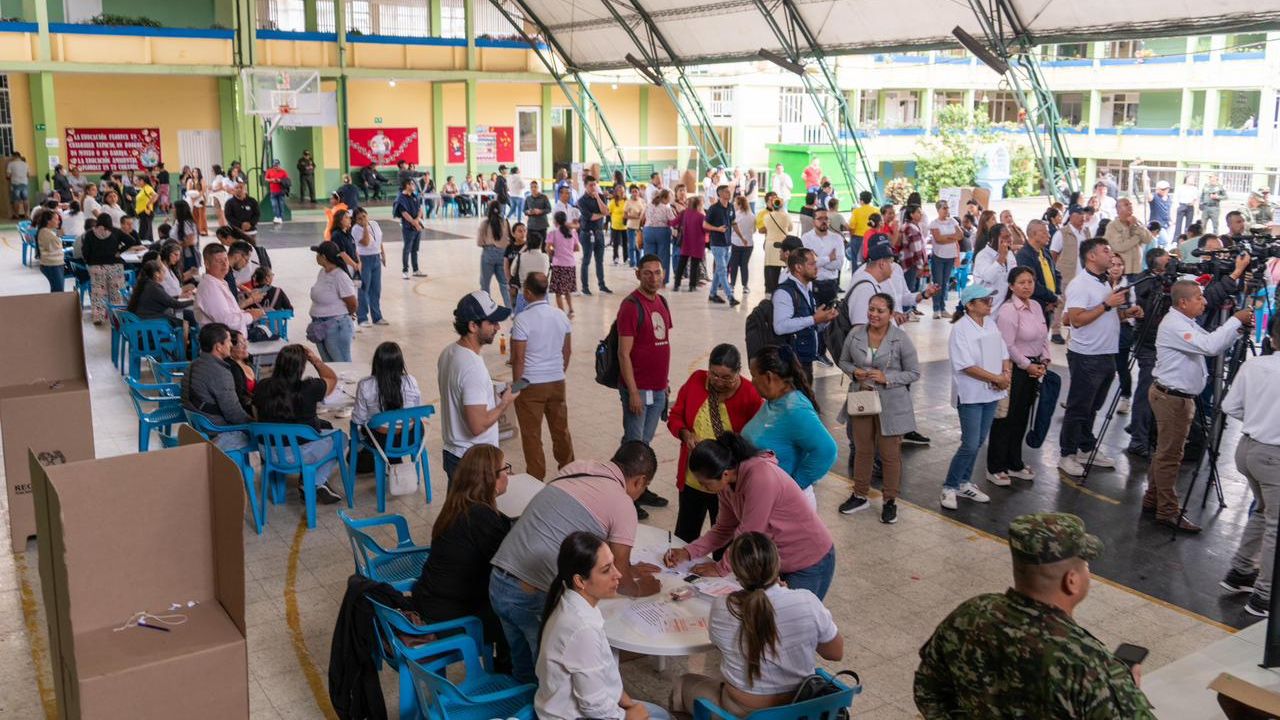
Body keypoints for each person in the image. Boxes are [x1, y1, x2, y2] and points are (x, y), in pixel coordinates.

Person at [914, 512, 1154, 718]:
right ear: (1072, 581)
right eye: (1086, 566)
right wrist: (1127, 695)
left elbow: (927, 690)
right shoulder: (1092, 669)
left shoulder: (971, 614)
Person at [490, 443, 661, 683]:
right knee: (550, 679)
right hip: (530, 595)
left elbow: (563, 523)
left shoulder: (578, 467)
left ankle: (522, 704)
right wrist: (643, 587)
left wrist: (629, 568)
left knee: (524, 668)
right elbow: (620, 581)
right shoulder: (622, 503)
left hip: (499, 578)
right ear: (640, 481)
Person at [671, 532, 842, 717]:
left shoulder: (723, 606)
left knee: (682, 686)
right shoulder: (806, 601)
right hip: (798, 709)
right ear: (777, 561)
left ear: (736, 572)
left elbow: (723, 649)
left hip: (742, 711)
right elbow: (835, 653)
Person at [665, 433, 837, 599]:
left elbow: (750, 534)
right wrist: (688, 552)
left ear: (724, 473)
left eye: (705, 483)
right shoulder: (727, 484)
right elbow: (723, 529)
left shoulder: (760, 478)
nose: (703, 487)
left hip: (809, 560)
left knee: (791, 621)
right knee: (771, 619)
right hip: (776, 560)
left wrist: (721, 568)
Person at [1144, 280, 1250, 533]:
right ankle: (1167, 511)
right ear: (1183, 302)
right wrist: (1235, 320)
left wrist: (1235, 331)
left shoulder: (1185, 323)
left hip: (1176, 397)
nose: (1204, 302)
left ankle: (1153, 498)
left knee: (1165, 453)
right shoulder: (1175, 325)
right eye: (1199, 298)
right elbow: (1210, 346)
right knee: (1170, 457)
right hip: (1172, 399)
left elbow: (1211, 343)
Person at [535, 531, 670, 720]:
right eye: (606, 569)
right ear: (580, 581)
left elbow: (604, 670)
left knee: (660, 714)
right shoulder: (582, 629)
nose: (618, 574)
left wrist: (626, 701)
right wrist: (626, 716)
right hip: (577, 715)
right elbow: (593, 705)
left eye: (614, 564)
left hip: (589, 705)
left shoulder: (574, 601)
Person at [411, 444, 513, 667]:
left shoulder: (456, 503)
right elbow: (508, 567)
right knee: (516, 614)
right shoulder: (481, 517)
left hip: (430, 600)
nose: (508, 475)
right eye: (505, 469)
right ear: (490, 479)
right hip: (450, 617)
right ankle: (510, 674)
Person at [1058, 238, 1144, 477]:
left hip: (1107, 352)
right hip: (1086, 355)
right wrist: (1107, 305)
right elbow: (1075, 319)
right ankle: (1067, 454)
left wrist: (1126, 312)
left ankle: (1086, 447)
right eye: (1106, 251)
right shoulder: (1080, 285)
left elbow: (1107, 317)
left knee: (1093, 406)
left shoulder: (1105, 282)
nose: (1111, 255)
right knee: (1078, 407)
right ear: (1091, 256)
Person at [836, 293, 920, 523]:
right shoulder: (855, 334)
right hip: (862, 398)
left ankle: (889, 500)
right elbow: (843, 361)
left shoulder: (900, 339)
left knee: (890, 454)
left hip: (891, 403)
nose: (874, 314)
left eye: (880, 311)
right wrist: (855, 372)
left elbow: (914, 372)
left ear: (891, 314)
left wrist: (887, 378)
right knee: (863, 449)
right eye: (871, 309)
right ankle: (860, 494)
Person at [668, 344, 763, 542]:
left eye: (726, 377)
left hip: (724, 482)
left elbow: (756, 441)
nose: (718, 381)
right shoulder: (696, 381)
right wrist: (685, 434)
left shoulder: (750, 395)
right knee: (685, 534)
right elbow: (675, 417)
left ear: (738, 372)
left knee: (724, 538)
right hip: (694, 477)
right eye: (714, 374)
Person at [1219, 318, 1280, 617]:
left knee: (1261, 510)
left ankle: (1240, 571)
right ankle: (1264, 596)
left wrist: (1260, 417)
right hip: (1274, 456)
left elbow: (1230, 407)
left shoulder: (1254, 365)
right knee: (1276, 525)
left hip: (1247, 450)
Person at [939, 284, 1009, 510]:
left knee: (978, 441)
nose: (989, 303)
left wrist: (1005, 374)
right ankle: (949, 485)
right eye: (984, 300)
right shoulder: (960, 329)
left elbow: (1003, 353)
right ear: (970, 305)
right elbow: (966, 366)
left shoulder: (989, 323)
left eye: (990, 299)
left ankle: (963, 482)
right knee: (969, 443)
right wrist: (996, 378)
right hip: (970, 395)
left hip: (991, 393)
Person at [742, 346, 837, 509]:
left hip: (785, 504)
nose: (752, 382)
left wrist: (793, 486)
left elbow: (827, 451)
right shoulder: (775, 401)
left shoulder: (795, 410)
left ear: (769, 377)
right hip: (766, 496)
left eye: (754, 376)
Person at [438, 291, 518, 482]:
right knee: (474, 512)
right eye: (492, 322)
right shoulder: (472, 366)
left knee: (458, 511)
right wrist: (503, 404)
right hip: (472, 461)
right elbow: (477, 425)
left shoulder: (449, 352)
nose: (498, 327)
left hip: (454, 454)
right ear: (473, 326)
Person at [252, 344, 345, 503]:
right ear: (301, 366)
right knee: (341, 438)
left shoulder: (262, 386)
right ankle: (314, 482)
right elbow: (332, 379)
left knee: (324, 427)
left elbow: (256, 415)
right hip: (301, 453)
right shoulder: (309, 388)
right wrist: (315, 360)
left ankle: (309, 482)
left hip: (269, 452)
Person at [985, 267, 1051, 485]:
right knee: (1005, 417)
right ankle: (995, 466)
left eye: (1030, 281)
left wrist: (1045, 360)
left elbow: (1044, 336)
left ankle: (1015, 462)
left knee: (1022, 416)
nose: (1027, 286)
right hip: (1014, 368)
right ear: (1012, 286)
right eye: (1021, 282)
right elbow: (1008, 344)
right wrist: (1026, 365)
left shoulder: (1037, 306)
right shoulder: (1008, 310)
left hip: (1034, 367)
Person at [511, 273, 574, 480]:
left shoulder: (522, 320)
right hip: (557, 381)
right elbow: (567, 351)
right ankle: (568, 472)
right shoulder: (560, 315)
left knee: (532, 435)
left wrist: (516, 388)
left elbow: (518, 359)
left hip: (530, 384)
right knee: (561, 430)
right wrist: (557, 371)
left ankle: (536, 479)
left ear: (527, 293)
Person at [1125, 247, 1171, 459]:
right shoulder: (1143, 282)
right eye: (1167, 264)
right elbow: (1149, 311)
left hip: (1162, 345)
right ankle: (1138, 438)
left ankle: (1143, 431)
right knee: (1146, 391)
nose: (1170, 267)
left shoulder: (1168, 282)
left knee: (1157, 392)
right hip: (1148, 343)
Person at [182, 323, 254, 451]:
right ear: (218, 347)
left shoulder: (193, 365)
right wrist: (255, 422)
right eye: (228, 341)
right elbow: (233, 413)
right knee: (264, 435)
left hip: (197, 425)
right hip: (217, 430)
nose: (231, 345)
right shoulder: (221, 373)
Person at [771, 248, 838, 382]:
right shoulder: (784, 293)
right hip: (791, 363)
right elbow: (780, 326)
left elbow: (809, 325)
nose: (816, 268)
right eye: (812, 264)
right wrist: (814, 319)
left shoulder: (807, 290)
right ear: (798, 267)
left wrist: (824, 320)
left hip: (805, 360)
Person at [194, 243, 263, 336]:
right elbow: (227, 321)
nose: (225, 264)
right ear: (207, 264)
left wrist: (243, 313)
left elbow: (229, 312)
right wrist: (251, 316)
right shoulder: (210, 288)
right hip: (222, 345)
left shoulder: (220, 282)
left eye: (225, 259)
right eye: (219, 261)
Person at [351, 340, 420, 430]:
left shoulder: (365, 385)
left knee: (355, 424)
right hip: (409, 437)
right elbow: (417, 410)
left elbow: (358, 419)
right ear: (400, 363)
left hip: (379, 439)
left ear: (376, 363)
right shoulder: (411, 381)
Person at [307, 241, 357, 362]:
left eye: (317, 254)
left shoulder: (340, 276)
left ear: (323, 257)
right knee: (329, 364)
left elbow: (352, 303)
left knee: (341, 364)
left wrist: (346, 315)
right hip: (320, 325)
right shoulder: (323, 272)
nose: (316, 257)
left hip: (336, 326)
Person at [83, 215, 134, 325]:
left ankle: (98, 318)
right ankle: (117, 318)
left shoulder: (90, 234)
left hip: (96, 266)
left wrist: (89, 261)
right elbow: (131, 241)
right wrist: (120, 251)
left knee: (98, 293)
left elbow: (85, 251)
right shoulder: (116, 232)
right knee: (116, 293)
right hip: (114, 265)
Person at [1015, 219, 1062, 329]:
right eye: (1045, 232)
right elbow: (1031, 284)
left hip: (1049, 305)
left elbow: (1056, 274)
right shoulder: (1024, 255)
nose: (1049, 235)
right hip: (1035, 305)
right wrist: (1052, 298)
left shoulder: (1045, 252)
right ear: (1033, 234)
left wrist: (1056, 295)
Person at [971, 223, 1020, 315]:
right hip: (988, 310)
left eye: (1010, 236)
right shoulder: (983, 256)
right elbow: (989, 277)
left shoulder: (1009, 253)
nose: (1010, 239)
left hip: (1005, 308)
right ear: (993, 239)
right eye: (1005, 237)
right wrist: (1001, 258)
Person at [349, 207, 386, 327]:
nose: (363, 219)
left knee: (376, 289)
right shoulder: (355, 229)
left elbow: (379, 239)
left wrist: (383, 254)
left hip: (376, 257)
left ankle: (377, 317)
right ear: (355, 220)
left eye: (364, 216)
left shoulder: (374, 224)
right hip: (365, 259)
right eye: (359, 218)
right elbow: (365, 242)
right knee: (364, 289)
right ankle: (362, 318)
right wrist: (364, 227)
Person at [127, 259, 192, 326]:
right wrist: (193, 301)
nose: (165, 274)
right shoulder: (154, 287)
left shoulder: (146, 284)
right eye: (163, 271)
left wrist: (178, 297)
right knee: (184, 323)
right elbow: (174, 304)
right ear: (156, 274)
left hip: (142, 321)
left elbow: (164, 299)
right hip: (151, 323)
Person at [800, 208, 843, 308]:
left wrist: (817, 260)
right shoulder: (806, 238)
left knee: (829, 316)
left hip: (831, 284)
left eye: (826, 219)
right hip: (811, 283)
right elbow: (807, 264)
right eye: (820, 219)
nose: (824, 221)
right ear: (813, 221)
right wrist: (829, 258)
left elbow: (838, 264)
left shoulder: (837, 238)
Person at [928, 200, 963, 318]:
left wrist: (947, 237)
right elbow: (938, 239)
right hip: (938, 256)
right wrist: (953, 237)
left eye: (947, 208)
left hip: (950, 256)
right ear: (938, 210)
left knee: (945, 282)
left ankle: (943, 308)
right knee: (938, 283)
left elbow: (961, 235)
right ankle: (936, 309)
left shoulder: (953, 221)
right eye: (944, 208)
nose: (947, 210)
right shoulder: (934, 223)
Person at [576, 177, 611, 295]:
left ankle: (602, 285)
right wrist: (604, 213)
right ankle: (585, 287)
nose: (593, 187)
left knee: (599, 261)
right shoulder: (581, 201)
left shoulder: (601, 197)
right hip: (587, 234)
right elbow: (590, 217)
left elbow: (605, 210)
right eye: (591, 185)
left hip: (599, 233)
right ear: (585, 186)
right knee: (586, 260)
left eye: (595, 185)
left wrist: (598, 198)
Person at [477, 200, 513, 308]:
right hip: (502, 254)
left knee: (485, 284)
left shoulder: (485, 223)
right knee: (504, 284)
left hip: (488, 253)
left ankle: (487, 308)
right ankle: (510, 309)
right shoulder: (505, 222)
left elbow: (479, 242)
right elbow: (510, 238)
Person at [705, 184, 737, 306]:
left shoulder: (731, 207)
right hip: (717, 244)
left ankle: (712, 294)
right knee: (723, 270)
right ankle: (731, 297)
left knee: (719, 271)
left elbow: (733, 222)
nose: (729, 193)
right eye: (726, 192)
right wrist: (717, 229)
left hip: (727, 243)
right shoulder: (713, 208)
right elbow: (705, 225)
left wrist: (741, 237)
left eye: (729, 191)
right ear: (720, 194)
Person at [1103, 198, 1148, 278]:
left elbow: (1148, 239)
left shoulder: (1136, 222)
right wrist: (1137, 237)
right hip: (1122, 271)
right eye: (1126, 205)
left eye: (1130, 204)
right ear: (1118, 209)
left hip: (1137, 269)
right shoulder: (1112, 226)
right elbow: (1120, 247)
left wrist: (1137, 226)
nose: (1130, 206)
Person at [673, 195, 708, 292]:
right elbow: (705, 229)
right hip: (697, 244)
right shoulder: (701, 216)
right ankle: (692, 286)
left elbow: (674, 222)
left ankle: (676, 284)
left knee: (681, 264)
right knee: (694, 265)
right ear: (698, 205)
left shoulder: (684, 213)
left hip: (686, 243)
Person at [392, 179, 426, 279]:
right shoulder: (401, 198)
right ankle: (405, 270)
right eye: (412, 184)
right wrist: (415, 223)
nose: (414, 185)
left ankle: (415, 270)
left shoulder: (414, 196)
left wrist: (418, 220)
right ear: (407, 185)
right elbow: (404, 213)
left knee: (415, 249)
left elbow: (420, 209)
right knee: (407, 248)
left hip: (417, 226)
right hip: (408, 227)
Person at [760, 193, 792, 296]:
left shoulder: (767, 216)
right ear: (781, 205)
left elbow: (765, 227)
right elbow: (790, 228)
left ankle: (769, 290)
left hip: (770, 244)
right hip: (783, 244)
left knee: (770, 269)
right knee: (786, 268)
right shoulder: (786, 216)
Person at [642, 189, 676, 283]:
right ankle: (662, 281)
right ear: (665, 197)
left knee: (648, 257)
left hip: (648, 231)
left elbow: (644, 217)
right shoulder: (666, 208)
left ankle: (647, 280)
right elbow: (673, 221)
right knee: (663, 258)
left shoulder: (649, 205)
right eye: (670, 197)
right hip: (662, 232)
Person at [34, 208, 65, 293]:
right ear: (48, 221)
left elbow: (61, 236)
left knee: (57, 289)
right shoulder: (45, 233)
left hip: (56, 264)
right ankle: (56, 306)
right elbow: (58, 244)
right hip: (52, 265)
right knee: (58, 291)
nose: (58, 222)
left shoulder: (49, 231)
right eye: (56, 219)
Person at [623, 184, 646, 269]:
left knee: (639, 245)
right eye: (633, 192)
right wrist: (636, 217)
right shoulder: (628, 202)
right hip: (631, 226)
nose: (635, 193)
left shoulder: (642, 201)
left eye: (636, 191)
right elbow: (625, 216)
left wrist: (642, 217)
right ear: (630, 193)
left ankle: (639, 263)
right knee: (632, 245)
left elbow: (645, 211)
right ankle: (632, 263)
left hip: (640, 226)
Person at [1147, 179, 1173, 247]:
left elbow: (1169, 210)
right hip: (1157, 225)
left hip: (1167, 224)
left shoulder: (1169, 198)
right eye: (1161, 189)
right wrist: (1147, 184)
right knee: (1164, 242)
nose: (1162, 191)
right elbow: (1149, 196)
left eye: (1164, 189)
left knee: (1160, 243)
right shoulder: (1154, 197)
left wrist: (1171, 220)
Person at [524, 179, 551, 245]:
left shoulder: (544, 197)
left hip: (542, 225)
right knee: (530, 244)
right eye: (532, 187)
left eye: (535, 187)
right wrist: (528, 212)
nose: (533, 189)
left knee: (543, 244)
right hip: (531, 225)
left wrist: (540, 211)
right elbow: (524, 210)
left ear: (538, 187)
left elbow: (549, 209)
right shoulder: (528, 198)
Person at [607, 183, 628, 266]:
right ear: (616, 192)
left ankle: (626, 259)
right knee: (616, 244)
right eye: (620, 191)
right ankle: (616, 258)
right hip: (615, 226)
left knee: (625, 243)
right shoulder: (612, 202)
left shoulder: (626, 201)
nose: (622, 193)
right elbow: (609, 212)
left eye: (623, 191)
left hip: (625, 226)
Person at [133, 174, 158, 241]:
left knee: (144, 232)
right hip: (142, 213)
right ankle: (149, 244)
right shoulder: (143, 189)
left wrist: (148, 204)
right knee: (147, 232)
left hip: (146, 212)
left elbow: (155, 195)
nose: (137, 182)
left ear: (142, 181)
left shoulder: (147, 187)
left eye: (138, 180)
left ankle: (145, 245)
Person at [265, 160, 289, 225]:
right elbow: (266, 179)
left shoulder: (283, 171)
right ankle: (277, 216)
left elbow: (287, 180)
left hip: (281, 191)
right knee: (274, 205)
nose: (276, 167)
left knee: (281, 204)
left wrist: (280, 180)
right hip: (273, 191)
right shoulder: (269, 171)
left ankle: (280, 217)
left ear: (279, 165)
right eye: (274, 165)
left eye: (277, 165)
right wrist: (271, 180)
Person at [7, 151, 29, 219]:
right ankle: (26, 214)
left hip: (15, 184)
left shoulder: (11, 164)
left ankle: (16, 215)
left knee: (16, 200)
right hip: (24, 183)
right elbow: (28, 175)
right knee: (25, 199)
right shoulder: (25, 164)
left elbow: (8, 175)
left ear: (14, 156)